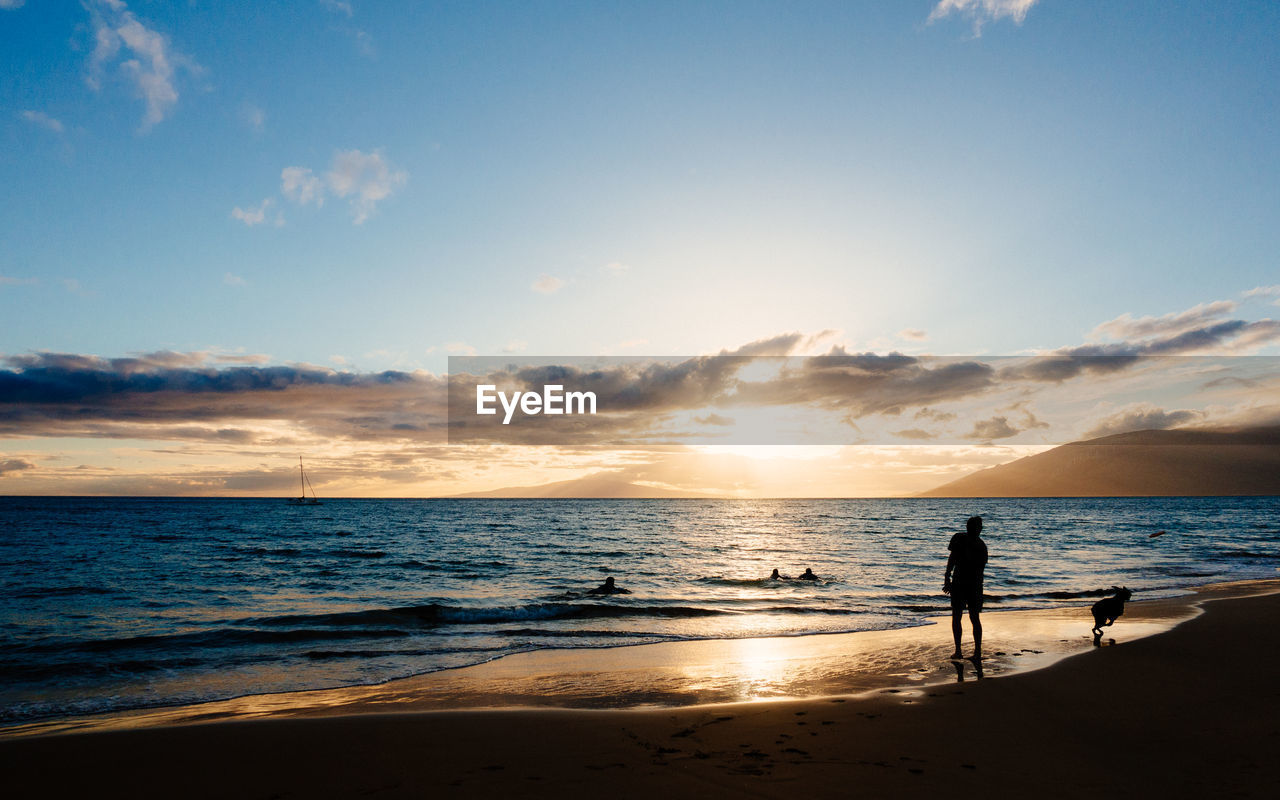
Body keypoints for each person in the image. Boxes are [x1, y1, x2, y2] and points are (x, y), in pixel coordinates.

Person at [943, 515, 988, 660]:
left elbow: (952, 559)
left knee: (960, 617)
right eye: (979, 526)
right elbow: (953, 559)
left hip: (964, 584)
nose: (980, 529)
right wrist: (947, 577)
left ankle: (963, 651)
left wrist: (947, 578)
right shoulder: (979, 545)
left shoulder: (962, 539)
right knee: (970, 617)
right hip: (971, 585)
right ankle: (972, 652)